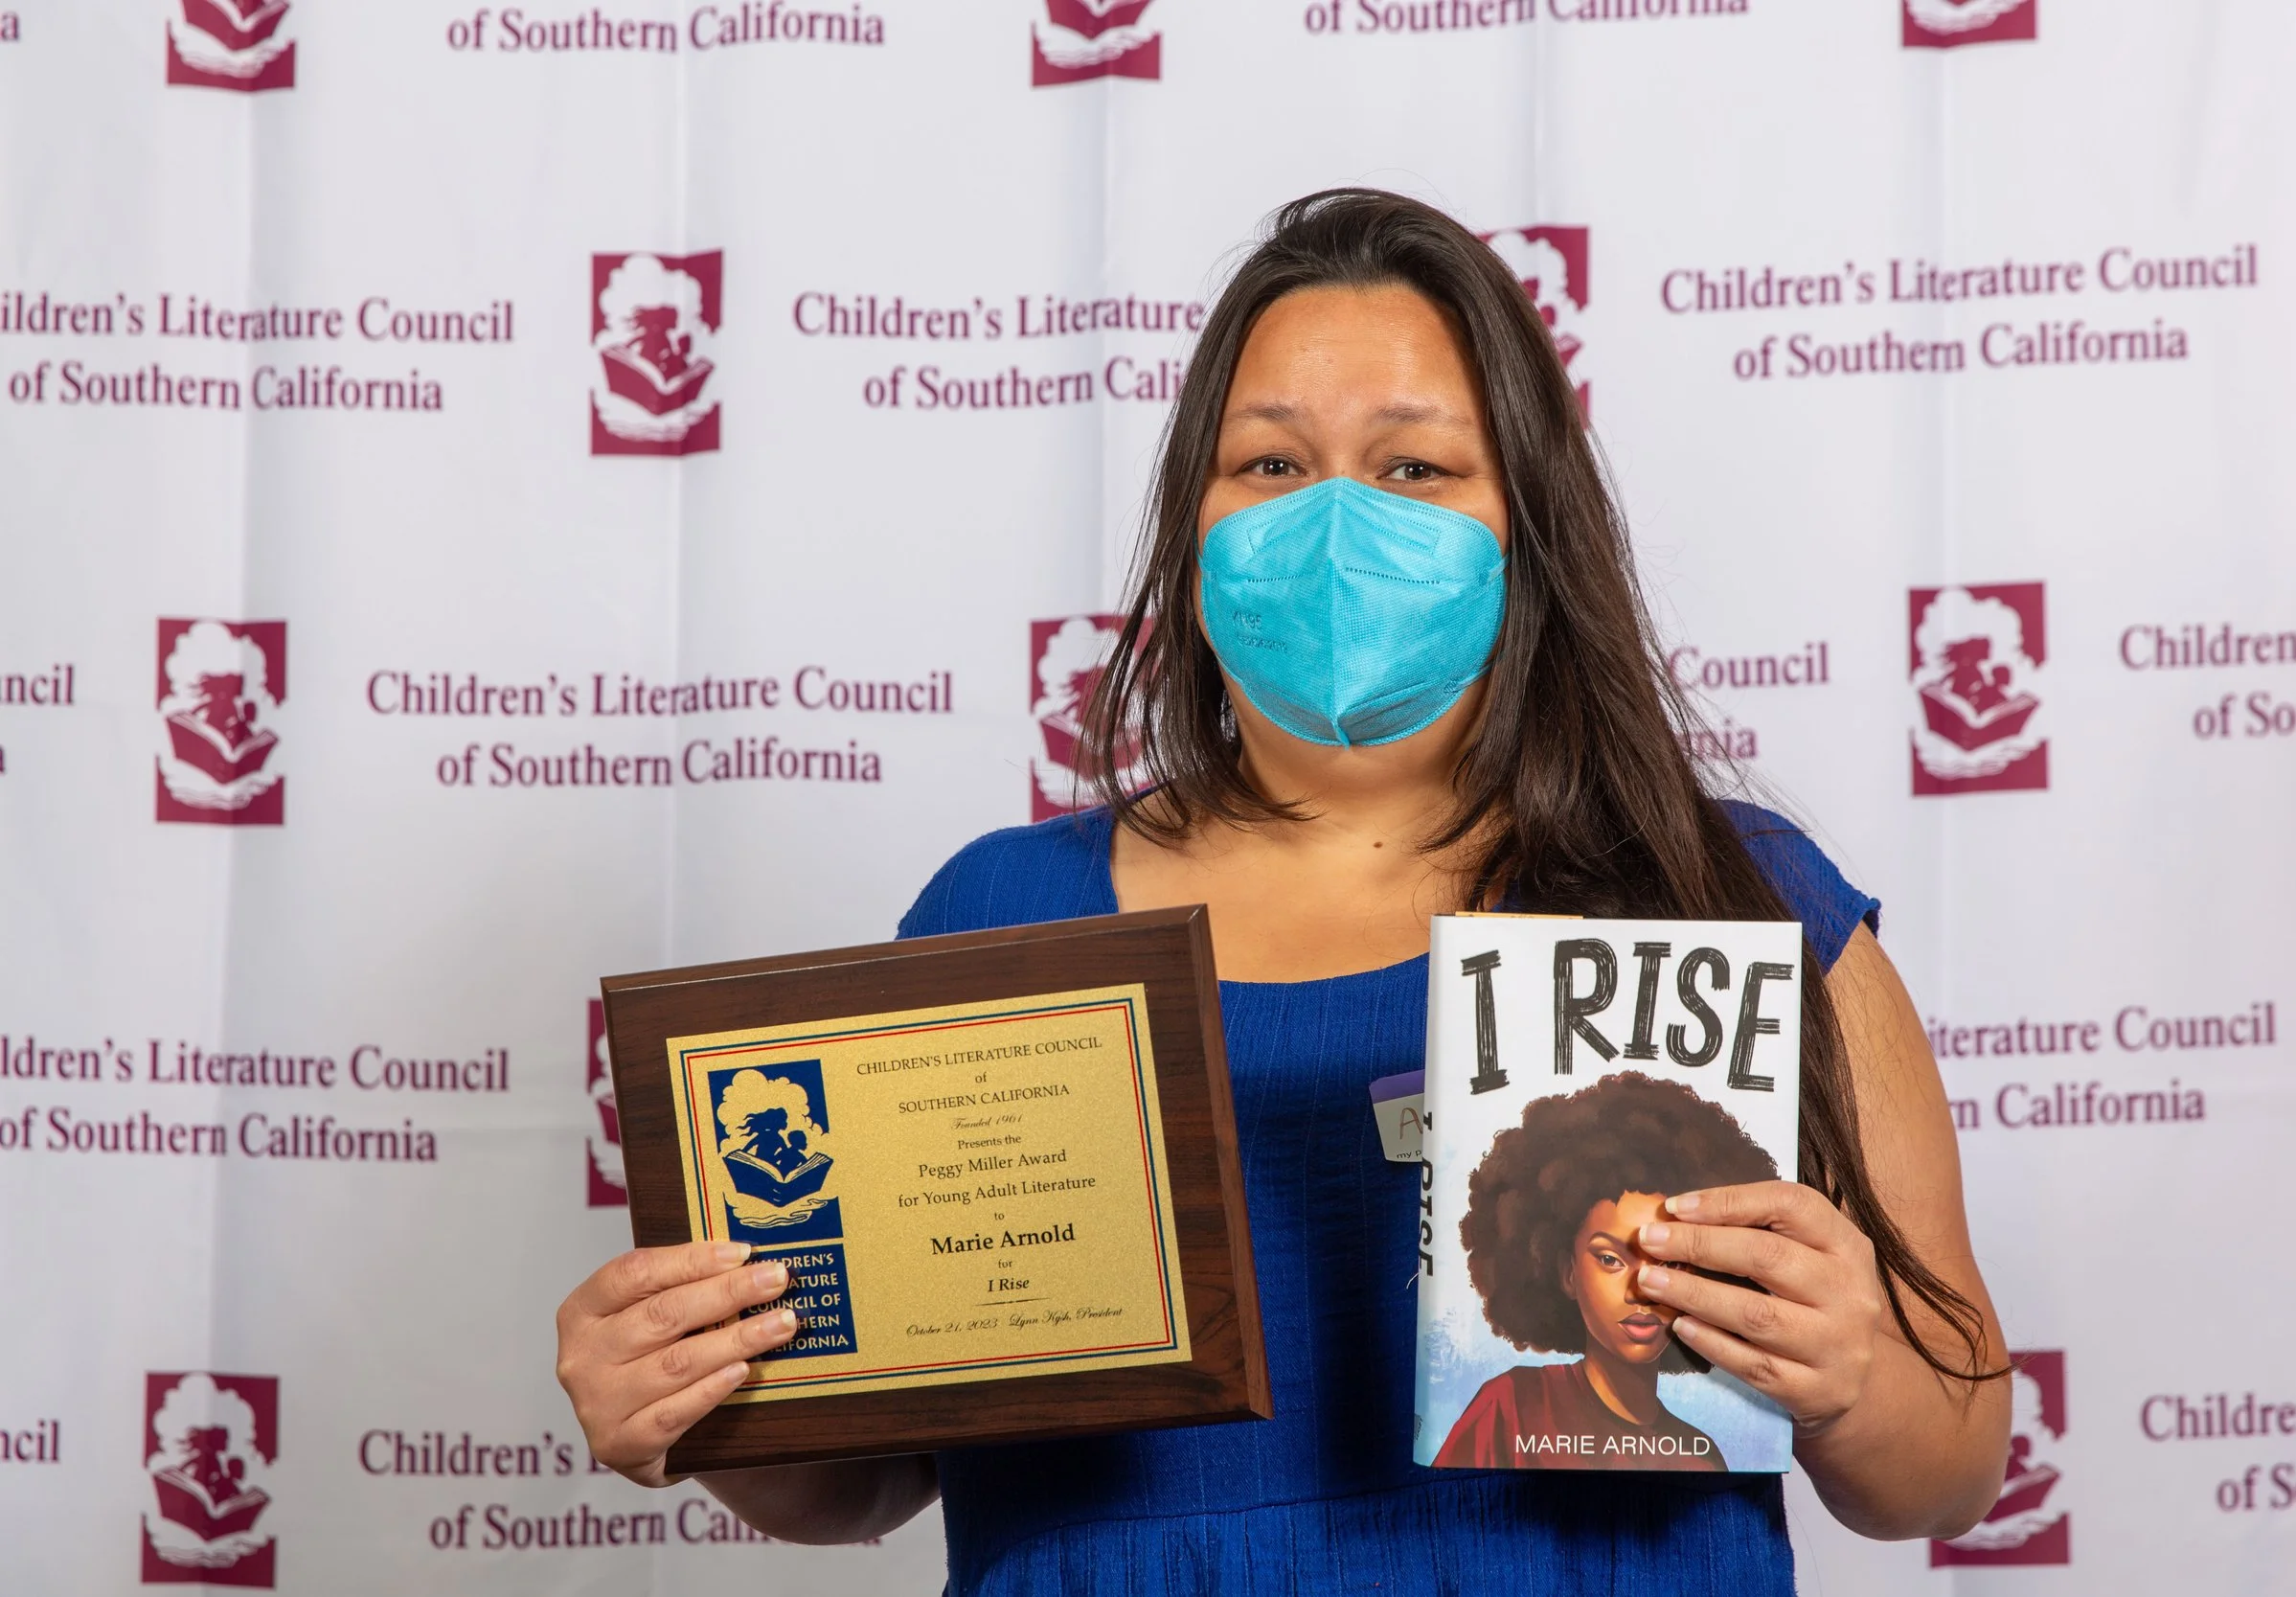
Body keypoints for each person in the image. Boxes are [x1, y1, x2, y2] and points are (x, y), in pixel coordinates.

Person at [554, 189, 2012, 1594]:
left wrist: (1853, 1373)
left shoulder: (1730, 897)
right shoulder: (1001, 915)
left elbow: (1945, 1466)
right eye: (1267, 464)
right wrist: (700, 1398)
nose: (1333, 523)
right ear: (1193, 523)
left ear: (1528, 521)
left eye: (1414, 468)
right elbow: (865, 1479)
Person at [1431, 1072, 1778, 1472]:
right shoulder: (1512, 1408)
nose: (1643, 1290)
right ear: (1567, 1273)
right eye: (1611, 1259)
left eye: (1669, 1263)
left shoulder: (1700, 1458)